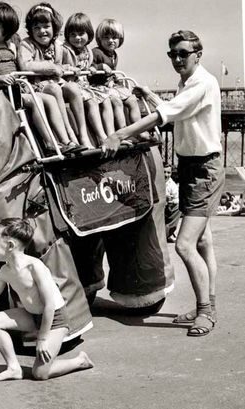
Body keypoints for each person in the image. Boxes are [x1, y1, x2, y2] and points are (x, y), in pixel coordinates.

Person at [102, 30, 224, 337]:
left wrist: (120, 134)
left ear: (199, 54)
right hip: (192, 166)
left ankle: (206, 313)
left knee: (184, 245)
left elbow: (161, 117)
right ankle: (206, 305)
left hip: (204, 169)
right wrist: (149, 94)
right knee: (204, 241)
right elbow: (175, 111)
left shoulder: (202, 83)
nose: (178, 59)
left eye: (184, 53)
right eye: (173, 55)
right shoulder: (189, 84)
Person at [0, 217, 93, 381]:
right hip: (33, 316)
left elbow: (49, 305)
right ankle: (13, 368)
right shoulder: (5, 271)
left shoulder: (35, 267)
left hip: (55, 319)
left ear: (10, 246)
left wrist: (42, 338)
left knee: (40, 374)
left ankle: (80, 361)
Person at [0, 2, 77, 153]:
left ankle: (66, 141)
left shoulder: (11, 47)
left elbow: (20, 67)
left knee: (50, 98)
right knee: (36, 101)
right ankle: (49, 143)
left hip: (17, 88)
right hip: (1, 92)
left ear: (6, 31)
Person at [19, 3, 92, 150]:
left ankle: (83, 135)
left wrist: (68, 68)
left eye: (46, 26)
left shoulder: (58, 46)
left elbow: (61, 66)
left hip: (56, 82)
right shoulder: (26, 44)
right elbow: (26, 65)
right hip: (37, 85)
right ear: (31, 30)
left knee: (73, 88)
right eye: (36, 28)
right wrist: (52, 67)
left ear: (54, 27)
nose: (42, 31)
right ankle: (68, 136)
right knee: (54, 89)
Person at [90, 19, 149, 140]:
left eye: (114, 37)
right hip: (98, 87)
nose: (111, 40)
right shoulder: (96, 52)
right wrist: (100, 67)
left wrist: (115, 79)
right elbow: (88, 69)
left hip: (111, 86)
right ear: (100, 39)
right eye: (106, 37)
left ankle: (138, 129)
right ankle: (124, 131)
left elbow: (112, 72)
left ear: (120, 39)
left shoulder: (114, 55)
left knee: (132, 99)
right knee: (116, 101)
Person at [63, 12, 110, 147]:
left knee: (104, 98)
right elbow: (59, 65)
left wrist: (93, 68)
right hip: (70, 85)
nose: (77, 38)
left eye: (81, 34)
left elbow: (89, 67)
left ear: (88, 34)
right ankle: (98, 136)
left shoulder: (87, 51)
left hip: (85, 85)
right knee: (91, 102)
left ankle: (106, 134)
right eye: (73, 34)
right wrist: (70, 69)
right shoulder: (65, 49)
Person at [164, 163, 180, 242]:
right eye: (164, 172)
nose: (166, 175)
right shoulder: (156, 181)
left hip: (168, 207)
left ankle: (168, 233)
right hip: (159, 207)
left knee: (178, 208)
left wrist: (171, 200)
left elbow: (176, 199)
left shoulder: (172, 185)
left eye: (168, 172)